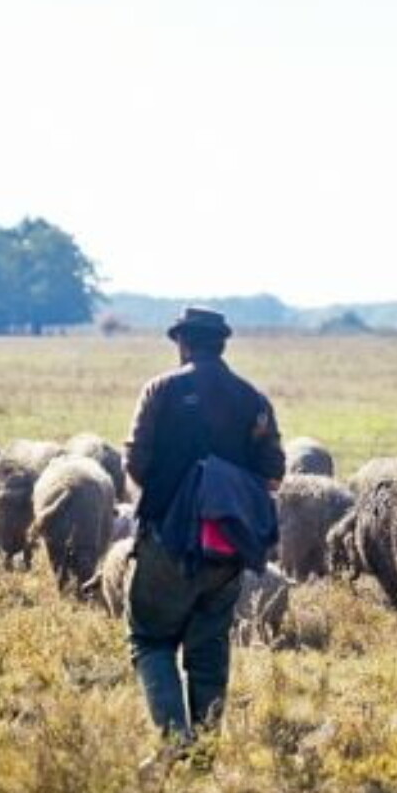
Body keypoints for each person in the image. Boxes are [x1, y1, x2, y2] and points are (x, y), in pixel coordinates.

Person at [124, 306, 285, 748]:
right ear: (221, 343)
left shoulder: (161, 389)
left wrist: (170, 492)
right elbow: (273, 474)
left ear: (184, 342)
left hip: (168, 540)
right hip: (227, 547)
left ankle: (177, 744)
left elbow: (135, 463)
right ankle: (206, 753)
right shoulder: (253, 399)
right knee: (210, 652)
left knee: (150, 640)